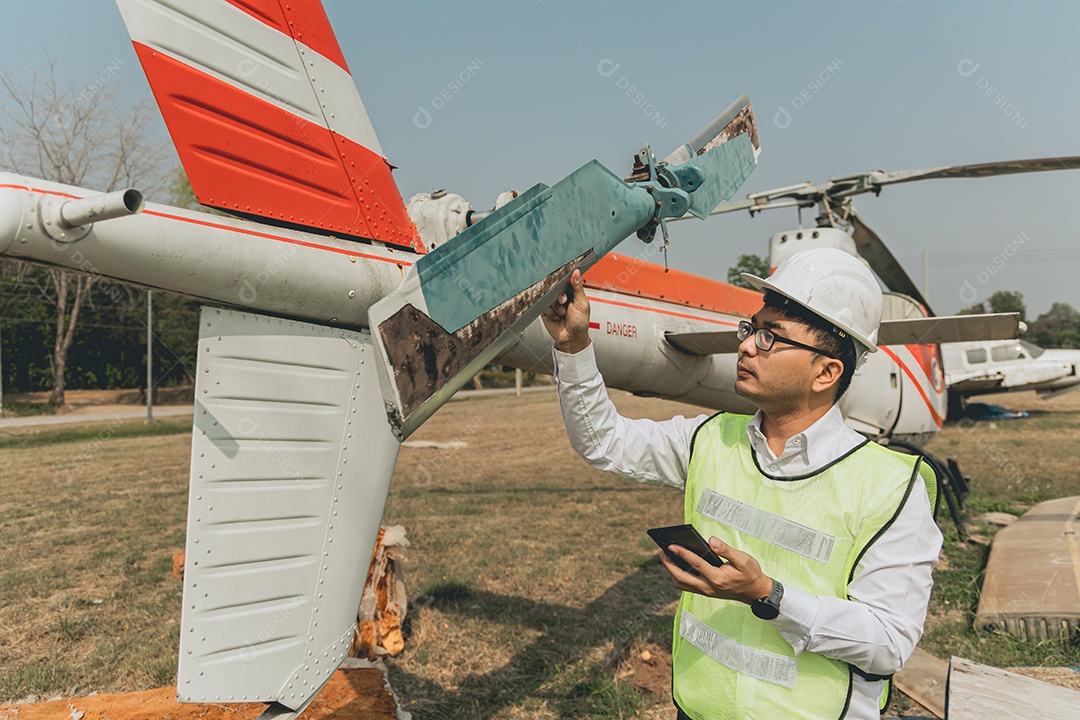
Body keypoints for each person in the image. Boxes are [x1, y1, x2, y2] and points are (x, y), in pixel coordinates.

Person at [542, 247, 942, 720]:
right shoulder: (711, 439)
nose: (747, 345)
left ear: (827, 372)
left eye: (772, 338)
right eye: (751, 328)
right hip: (697, 710)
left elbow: (888, 642)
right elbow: (604, 441)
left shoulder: (892, 485)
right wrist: (572, 347)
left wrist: (768, 596)